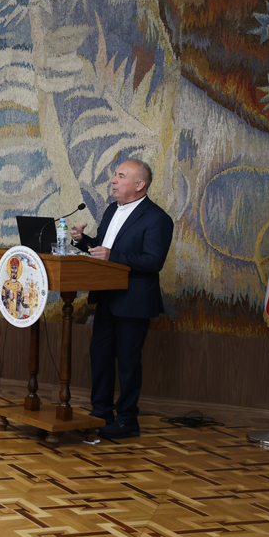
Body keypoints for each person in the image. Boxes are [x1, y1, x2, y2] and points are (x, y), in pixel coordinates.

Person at [70, 158, 174, 440]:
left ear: (140, 184)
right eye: (115, 175)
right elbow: (103, 250)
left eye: (121, 176)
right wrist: (82, 241)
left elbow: (153, 261)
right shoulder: (111, 210)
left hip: (134, 302)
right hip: (106, 297)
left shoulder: (158, 218)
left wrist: (112, 255)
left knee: (128, 363)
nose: (113, 180)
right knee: (100, 357)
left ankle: (127, 420)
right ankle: (101, 413)